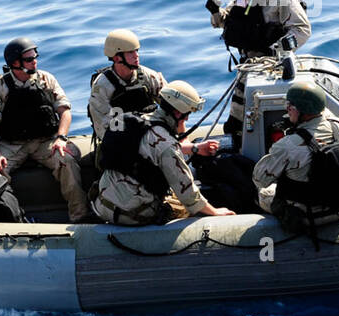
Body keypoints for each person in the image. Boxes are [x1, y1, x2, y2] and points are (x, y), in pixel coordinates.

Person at [207, 0, 311, 141]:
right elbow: (225, 22)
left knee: (268, 120)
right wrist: (215, 10)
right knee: (237, 121)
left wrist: (278, 50)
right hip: (247, 67)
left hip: (272, 66)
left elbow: (302, 29)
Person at [93, 81, 237, 225]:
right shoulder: (167, 146)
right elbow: (187, 194)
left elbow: (150, 152)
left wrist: (194, 148)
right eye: (186, 115)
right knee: (187, 208)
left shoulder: (138, 121)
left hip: (103, 203)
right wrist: (215, 212)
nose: (187, 119)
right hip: (129, 214)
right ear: (177, 113)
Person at [0, 37, 92, 222]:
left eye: (35, 57)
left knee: (67, 161)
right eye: (29, 59)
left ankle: (79, 215)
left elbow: (65, 111)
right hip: (12, 144)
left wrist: (61, 138)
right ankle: (1, 220)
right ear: (15, 63)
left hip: (44, 142)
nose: (35, 61)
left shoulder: (46, 79)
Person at [88, 29, 218, 160]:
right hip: (121, 145)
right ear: (117, 57)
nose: (136, 56)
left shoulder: (148, 77)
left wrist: (183, 141)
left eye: (137, 51)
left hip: (151, 134)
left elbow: (175, 109)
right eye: (131, 52)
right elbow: (106, 133)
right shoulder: (102, 88)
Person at [253, 81, 339, 231]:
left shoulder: (287, 146)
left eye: (290, 106)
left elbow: (260, 179)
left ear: (301, 111)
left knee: (263, 193)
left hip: (310, 214)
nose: (287, 108)